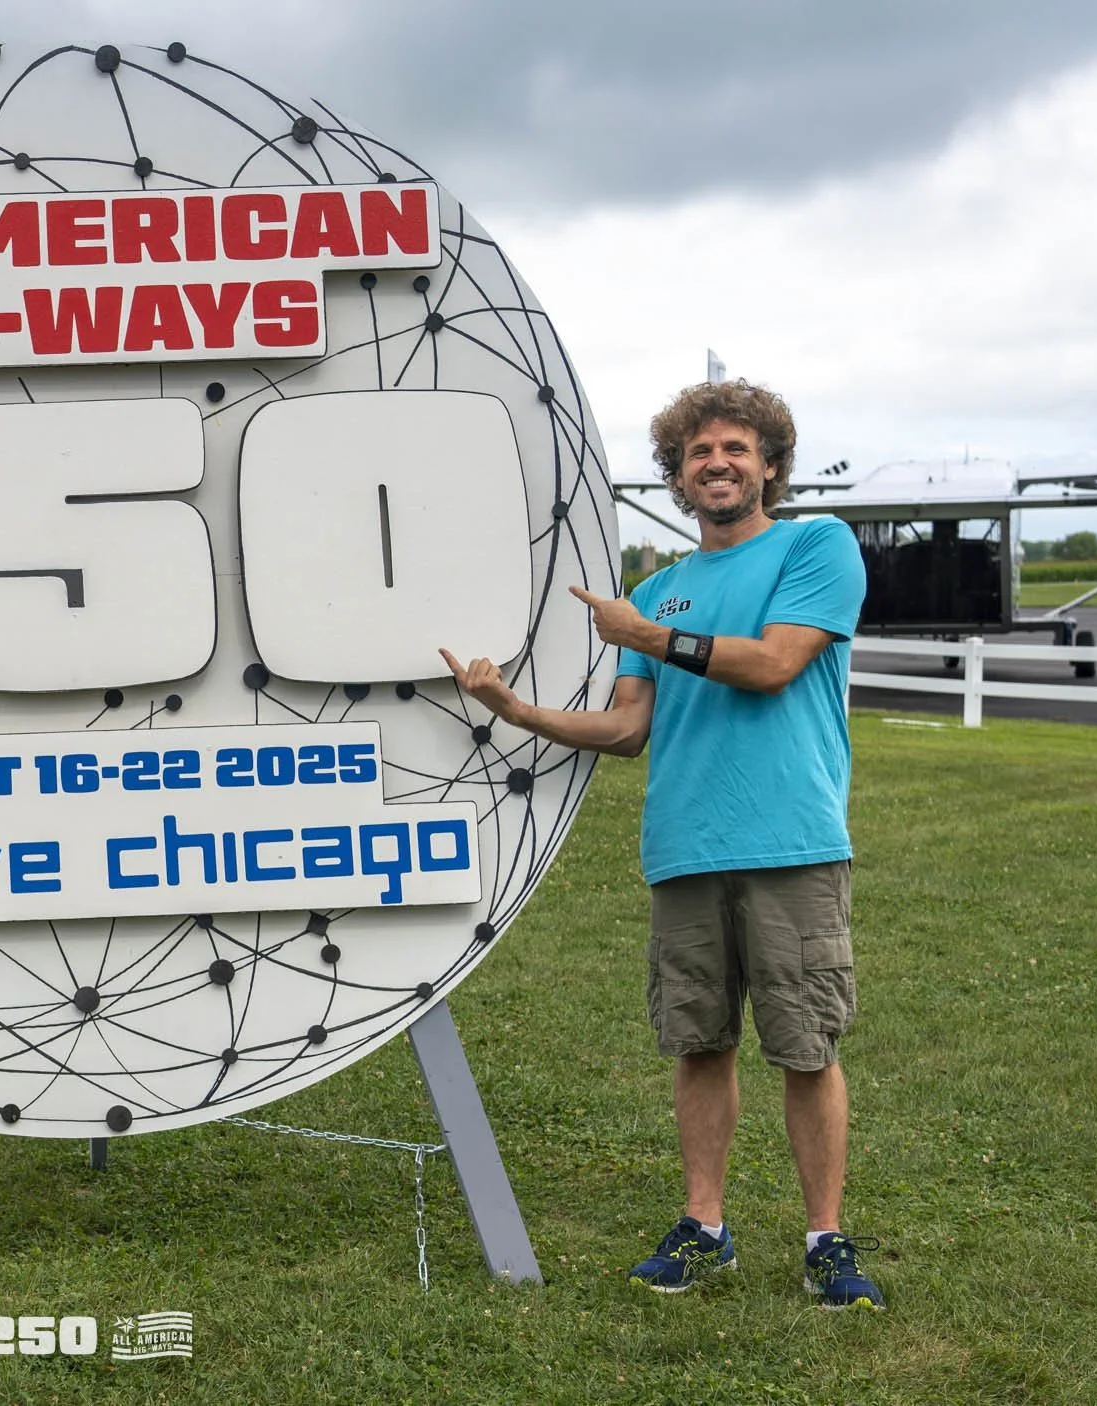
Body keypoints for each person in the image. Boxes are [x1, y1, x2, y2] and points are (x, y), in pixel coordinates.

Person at [440, 380, 884, 1310]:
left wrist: (651, 634)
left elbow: (772, 665)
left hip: (791, 842)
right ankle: (704, 1228)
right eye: (698, 453)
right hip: (684, 846)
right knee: (699, 1043)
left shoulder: (815, 546)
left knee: (805, 1048)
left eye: (736, 447)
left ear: (770, 464)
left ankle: (826, 1242)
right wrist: (512, 708)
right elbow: (626, 728)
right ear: (679, 477)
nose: (717, 463)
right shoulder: (658, 588)